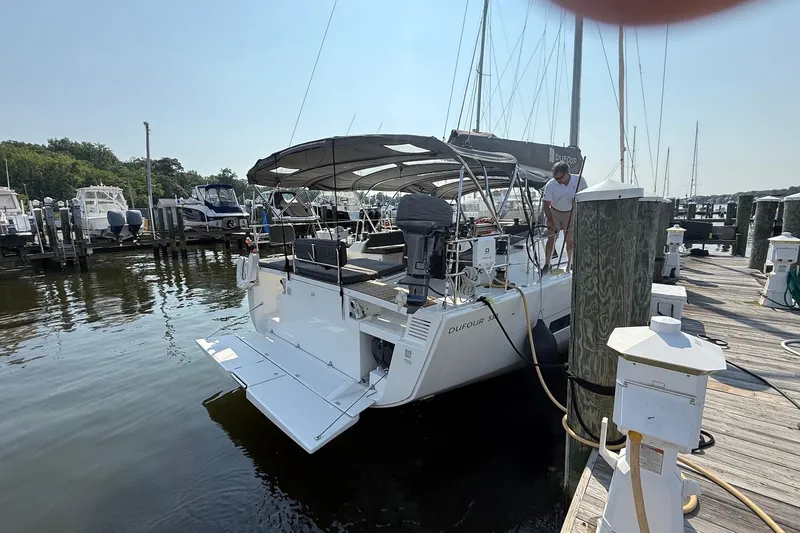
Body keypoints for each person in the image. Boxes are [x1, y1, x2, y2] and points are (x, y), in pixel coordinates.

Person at [541, 161, 587, 273]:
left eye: (560, 178)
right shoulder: (551, 184)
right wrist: (550, 220)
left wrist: (578, 200)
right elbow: (546, 204)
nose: (558, 180)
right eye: (556, 178)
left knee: (569, 240)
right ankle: (547, 264)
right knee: (551, 238)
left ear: (567, 173)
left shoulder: (580, 180)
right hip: (554, 212)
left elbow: (586, 196)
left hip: (571, 212)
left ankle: (569, 264)